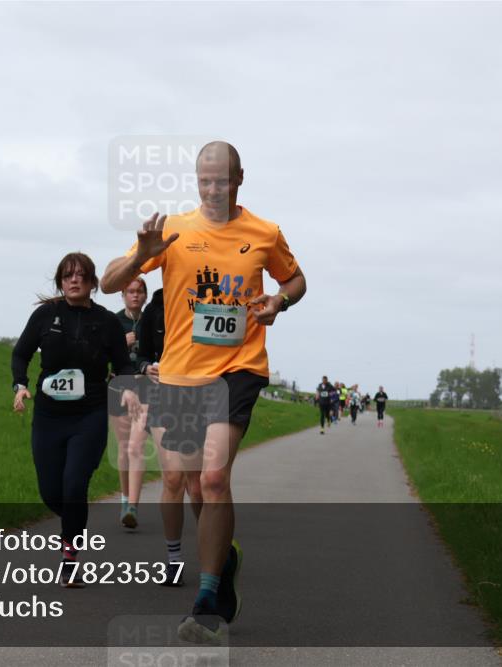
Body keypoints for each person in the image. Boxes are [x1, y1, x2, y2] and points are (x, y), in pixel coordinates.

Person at [101, 141, 306, 644]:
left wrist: (278, 301)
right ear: (197, 182)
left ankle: (208, 601)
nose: (214, 190)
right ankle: (225, 558)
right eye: (205, 181)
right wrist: (142, 257)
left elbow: (296, 279)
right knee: (188, 480)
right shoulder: (174, 230)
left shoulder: (264, 233)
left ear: (240, 178)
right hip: (180, 375)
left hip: (239, 368)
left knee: (213, 478)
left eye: (223, 180)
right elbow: (108, 282)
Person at [11, 252, 139, 587]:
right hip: (49, 416)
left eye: (81, 275)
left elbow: (124, 365)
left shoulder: (107, 322)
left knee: (74, 485)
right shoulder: (45, 316)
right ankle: (76, 522)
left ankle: (69, 558)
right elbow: (21, 353)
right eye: (67, 275)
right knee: (52, 492)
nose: (74, 280)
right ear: (60, 281)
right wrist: (20, 385)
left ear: (93, 282)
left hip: (90, 415)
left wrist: (126, 388)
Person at [138, 288, 203, 587]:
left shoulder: (208, 297)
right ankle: (173, 559)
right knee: (173, 479)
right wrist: (145, 366)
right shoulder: (156, 306)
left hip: (200, 396)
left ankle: (213, 546)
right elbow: (142, 352)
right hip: (163, 396)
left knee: (199, 485)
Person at [112, 278, 150, 529]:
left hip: (146, 387)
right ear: (123, 295)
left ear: (145, 296)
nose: (135, 296)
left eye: (139, 292)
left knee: (136, 446)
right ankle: (125, 499)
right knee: (124, 447)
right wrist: (119, 343)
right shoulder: (114, 322)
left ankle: (133, 507)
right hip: (117, 386)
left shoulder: (153, 320)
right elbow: (102, 354)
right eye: (130, 292)